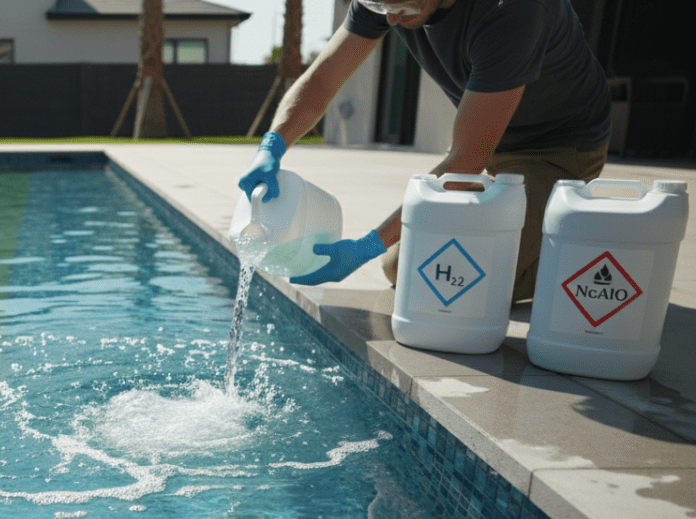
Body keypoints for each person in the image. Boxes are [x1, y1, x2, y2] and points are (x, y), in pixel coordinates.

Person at [239, 0, 611, 301]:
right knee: (400, 269)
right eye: (381, 7)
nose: (393, 21)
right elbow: (324, 78)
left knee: (462, 284)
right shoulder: (386, 3)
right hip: (491, 145)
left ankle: (578, 240)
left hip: (558, 146)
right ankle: (530, 226)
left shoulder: (512, 11)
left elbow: (467, 159)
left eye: (399, 7)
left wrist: (366, 246)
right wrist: (272, 144)